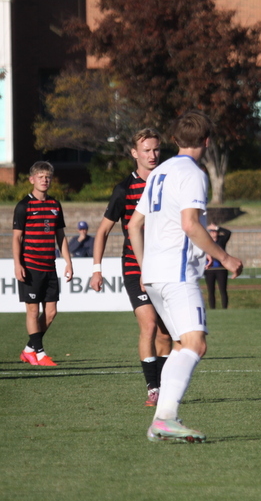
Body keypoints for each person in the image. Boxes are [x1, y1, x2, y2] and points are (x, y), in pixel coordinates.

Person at [129, 111, 244, 443]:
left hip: (155, 274)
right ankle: (165, 419)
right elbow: (190, 224)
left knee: (180, 346)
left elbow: (134, 225)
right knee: (196, 344)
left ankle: (162, 420)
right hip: (176, 274)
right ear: (206, 141)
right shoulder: (193, 173)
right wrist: (225, 257)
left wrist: (144, 266)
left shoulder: (158, 172)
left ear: (175, 140)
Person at [90, 128, 173, 407]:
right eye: (146, 150)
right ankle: (153, 388)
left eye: (156, 149)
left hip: (165, 265)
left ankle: (163, 385)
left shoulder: (168, 183)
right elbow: (102, 231)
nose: (152, 155)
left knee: (165, 333)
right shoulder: (124, 189)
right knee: (149, 325)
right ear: (134, 153)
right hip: (134, 266)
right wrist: (97, 269)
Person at [14, 161, 73, 367]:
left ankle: (29, 349)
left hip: (50, 267)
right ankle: (39, 354)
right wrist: (17, 264)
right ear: (32, 179)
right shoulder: (24, 206)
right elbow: (17, 238)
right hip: (30, 266)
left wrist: (68, 262)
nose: (44, 180)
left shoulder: (55, 205)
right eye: (40, 177)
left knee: (51, 312)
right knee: (32, 311)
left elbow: (61, 236)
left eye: (47, 177)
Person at [204, 224, 232, 309]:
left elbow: (228, 233)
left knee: (223, 290)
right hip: (209, 270)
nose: (213, 233)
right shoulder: (206, 241)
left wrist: (217, 227)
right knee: (211, 290)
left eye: (215, 231)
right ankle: (212, 308)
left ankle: (224, 308)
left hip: (221, 269)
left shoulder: (221, 240)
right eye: (211, 231)